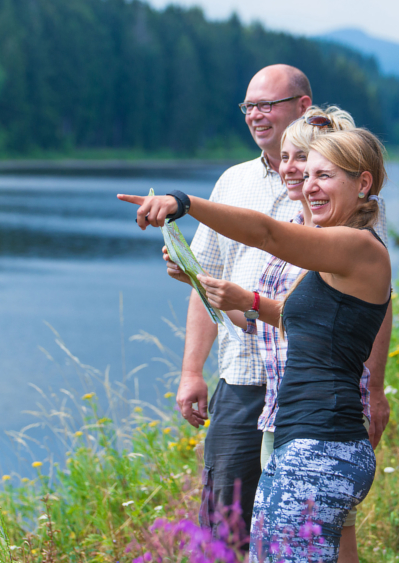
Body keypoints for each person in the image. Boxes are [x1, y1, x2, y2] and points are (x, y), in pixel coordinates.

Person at [119, 128, 391, 562]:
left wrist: (184, 204)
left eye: (326, 175)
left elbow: (268, 234)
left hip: (319, 448)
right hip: (304, 441)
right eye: (309, 174)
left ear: (363, 183)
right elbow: (296, 321)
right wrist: (198, 278)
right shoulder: (336, 258)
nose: (310, 185)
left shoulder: (357, 245)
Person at [172, 64, 311, 541]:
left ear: (302, 107)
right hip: (241, 381)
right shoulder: (232, 182)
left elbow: (368, 299)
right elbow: (205, 283)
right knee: (223, 527)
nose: (256, 115)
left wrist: (374, 390)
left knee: (300, 530)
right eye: (249, 106)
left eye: (267, 104)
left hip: (304, 388)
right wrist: (193, 371)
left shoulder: (326, 180)